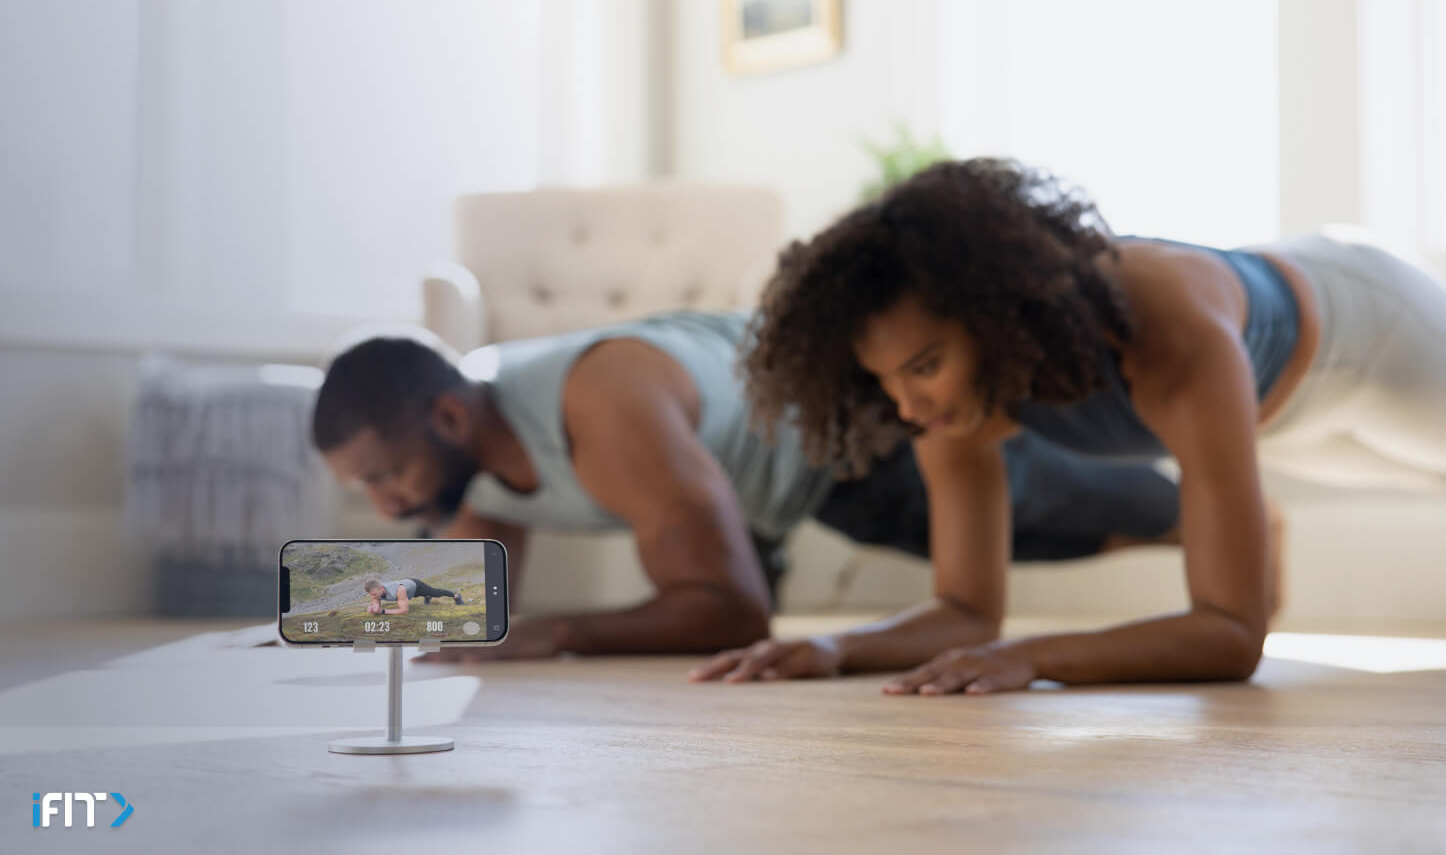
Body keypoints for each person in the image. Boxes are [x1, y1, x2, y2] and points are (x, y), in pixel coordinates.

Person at [693, 157, 1446, 694]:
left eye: (922, 366)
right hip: (1283, 422)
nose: (908, 408)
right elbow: (965, 610)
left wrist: (1041, 656)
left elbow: (1232, 632)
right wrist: (834, 647)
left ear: (997, 315)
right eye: (883, 381)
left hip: (1373, 337)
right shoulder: (946, 404)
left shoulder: (1168, 333)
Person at [310, 310, 1186, 662]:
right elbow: (455, 607)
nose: (387, 506)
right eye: (366, 487)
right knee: (1044, 525)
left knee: (1054, 514)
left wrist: (556, 632)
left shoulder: (599, 411)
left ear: (450, 420)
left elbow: (730, 613)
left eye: (389, 476)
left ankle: (1218, 517)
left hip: (845, 440)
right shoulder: (473, 467)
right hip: (757, 484)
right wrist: (320, 621)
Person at [362, 577, 463, 615]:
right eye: (371, 595)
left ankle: (455, 595)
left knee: (435, 593)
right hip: (408, 589)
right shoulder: (374, 592)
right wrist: (373, 610)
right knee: (427, 594)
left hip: (416, 586)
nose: (373, 597)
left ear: (381, 588)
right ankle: (427, 597)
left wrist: (383, 611)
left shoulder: (399, 590)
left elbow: (404, 611)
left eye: (374, 595)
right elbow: (376, 606)